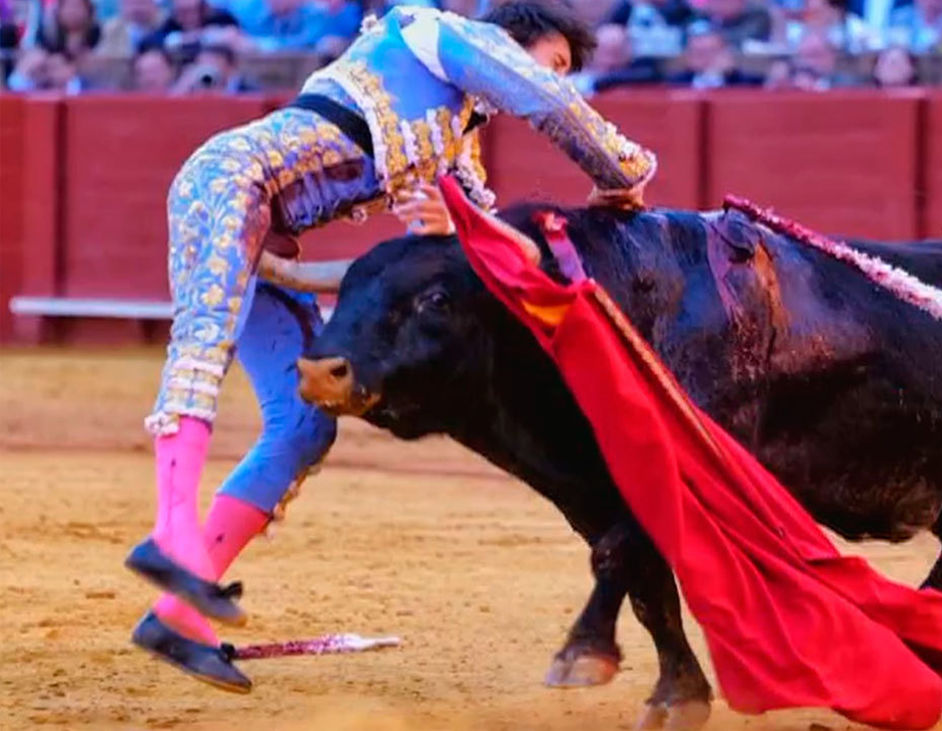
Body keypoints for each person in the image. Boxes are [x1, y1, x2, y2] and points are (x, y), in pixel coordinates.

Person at [124, 0, 657, 694]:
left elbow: (480, 247)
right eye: (553, 61)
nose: (556, 78)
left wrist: (458, 221)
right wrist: (626, 169)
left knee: (305, 425)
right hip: (226, 182)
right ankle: (172, 537)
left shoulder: (455, 146)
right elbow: (548, 103)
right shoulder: (433, 32)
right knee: (202, 346)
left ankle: (174, 614)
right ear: (508, 41)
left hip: (272, 241)